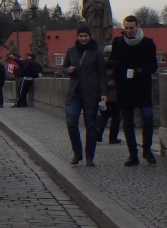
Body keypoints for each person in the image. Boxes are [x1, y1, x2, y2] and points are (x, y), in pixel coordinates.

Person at [109, 15, 159, 166]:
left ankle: (147, 150)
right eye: (126, 28)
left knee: (148, 118)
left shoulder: (147, 43)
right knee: (127, 122)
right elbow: (111, 61)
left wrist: (141, 71)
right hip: (124, 87)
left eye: (132, 28)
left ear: (137, 27)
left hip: (142, 86)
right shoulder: (118, 42)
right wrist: (117, 64)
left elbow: (153, 66)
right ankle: (133, 154)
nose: (129, 31)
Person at [63, 22, 107, 166]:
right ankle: (77, 153)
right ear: (77, 36)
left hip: (91, 93)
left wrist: (103, 92)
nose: (83, 38)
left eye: (85, 36)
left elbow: (102, 74)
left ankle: (90, 156)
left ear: (90, 36)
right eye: (81, 36)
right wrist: (68, 70)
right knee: (71, 123)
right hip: (74, 93)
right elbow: (63, 68)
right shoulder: (71, 51)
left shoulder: (96, 53)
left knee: (91, 125)